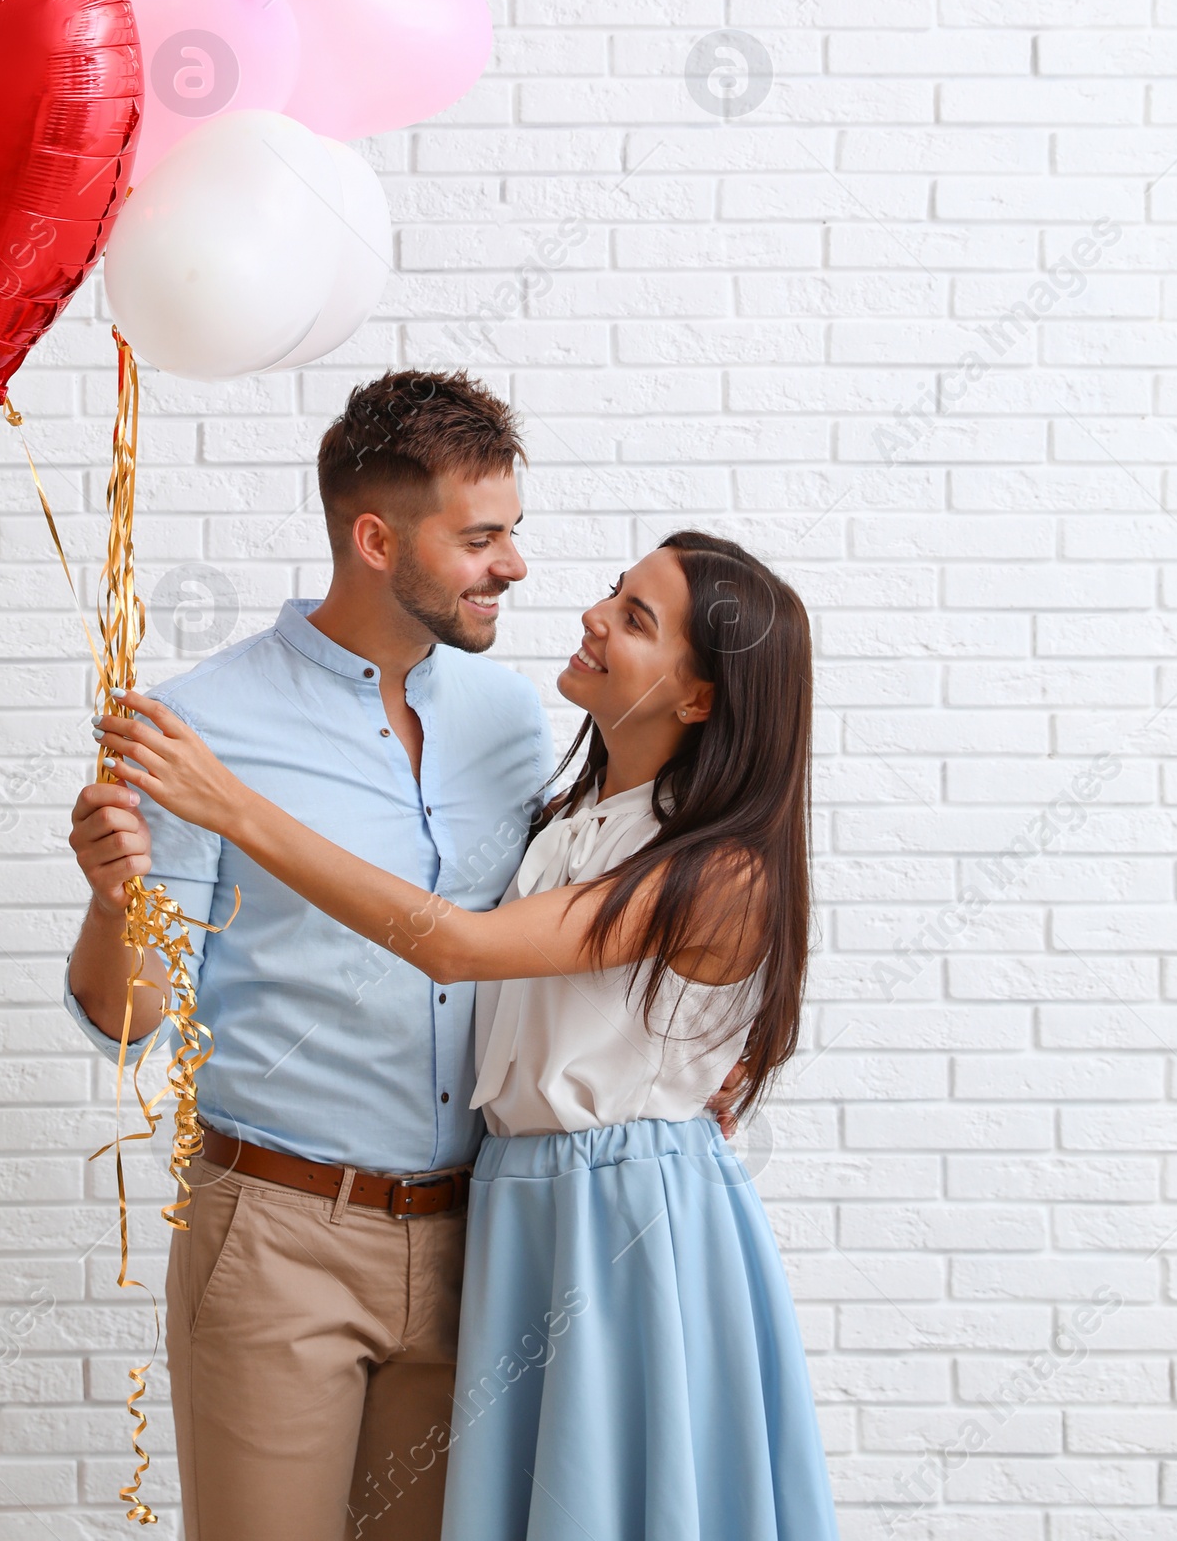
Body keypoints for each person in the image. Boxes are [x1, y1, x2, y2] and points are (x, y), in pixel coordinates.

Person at [98, 528, 839, 1541]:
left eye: (635, 618)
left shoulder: (715, 869)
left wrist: (232, 806)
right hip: (519, 1208)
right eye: (614, 592)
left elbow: (455, 947)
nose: (592, 614)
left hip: (616, 1213)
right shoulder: (572, 815)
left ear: (697, 697)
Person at [65, 371, 553, 1539]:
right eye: (481, 538)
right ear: (378, 540)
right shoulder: (200, 727)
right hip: (278, 1234)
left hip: (479, 1239)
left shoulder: (514, 720)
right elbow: (135, 1020)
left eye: (513, 534)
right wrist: (112, 898)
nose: (514, 566)